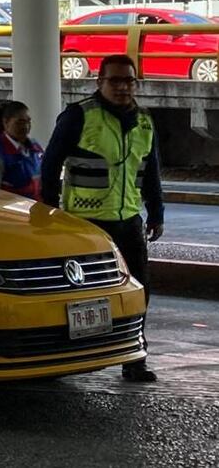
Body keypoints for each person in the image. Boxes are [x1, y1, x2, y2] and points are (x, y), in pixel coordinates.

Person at [41, 54, 163, 383]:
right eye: (115, 80)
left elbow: (150, 169)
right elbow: (51, 163)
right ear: (99, 82)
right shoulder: (79, 115)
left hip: (128, 221)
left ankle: (134, 358)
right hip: (86, 223)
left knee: (138, 291)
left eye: (129, 81)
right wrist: (49, 209)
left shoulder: (144, 121)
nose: (123, 87)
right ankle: (69, 357)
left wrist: (157, 212)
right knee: (82, 296)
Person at [0, 100, 43, 200]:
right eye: (19, 122)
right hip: (12, 212)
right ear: (6, 122)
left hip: (36, 210)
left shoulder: (35, 148)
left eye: (28, 122)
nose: (25, 127)